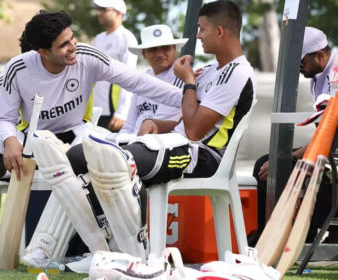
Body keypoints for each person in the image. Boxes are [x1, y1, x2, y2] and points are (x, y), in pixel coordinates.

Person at [0, 9, 183, 269]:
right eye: (64, 45)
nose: (73, 47)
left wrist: (187, 98)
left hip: (74, 137)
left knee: (83, 162)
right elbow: (3, 118)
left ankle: (45, 250)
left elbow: (137, 82)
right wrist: (9, 141)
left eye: (72, 39)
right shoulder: (18, 68)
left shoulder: (86, 56)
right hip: (31, 140)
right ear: (43, 52)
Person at [28, 0, 255, 272]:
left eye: (202, 29)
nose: (198, 36)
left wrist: (188, 82)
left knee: (110, 161)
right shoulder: (211, 71)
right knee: (76, 157)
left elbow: (194, 131)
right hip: (174, 146)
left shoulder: (237, 72)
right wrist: (154, 121)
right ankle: (92, 248)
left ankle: (132, 255)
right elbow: (186, 119)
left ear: (220, 32)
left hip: (203, 156)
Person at [19, 24, 187, 269]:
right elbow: (131, 124)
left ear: (175, 48)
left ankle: (126, 254)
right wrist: (119, 138)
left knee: (94, 161)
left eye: (165, 47)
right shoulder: (149, 78)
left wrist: (158, 121)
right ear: (144, 54)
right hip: (140, 144)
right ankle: (59, 246)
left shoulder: (182, 78)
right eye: (152, 49)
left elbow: (188, 120)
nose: (159, 53)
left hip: (168, 148)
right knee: (76, 159)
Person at [252, 26, 337, 245]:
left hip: (333, 153)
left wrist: (291, 157)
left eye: (301, 63)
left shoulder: (334, 75)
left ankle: (281, 235)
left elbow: (332, 135)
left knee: (276, 164)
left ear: (319, 55)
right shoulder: (318, 76)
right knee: (269, 162)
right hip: (330, 152)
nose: (298, 69)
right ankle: (279, 232)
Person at [91, 0, 138, 132]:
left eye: (104, 9)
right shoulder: (98, 38)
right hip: (95, 110)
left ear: (118, 12)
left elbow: (130, 77)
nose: (99, 13)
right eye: (99, 10)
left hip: (114, 112)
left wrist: (122, 113)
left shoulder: (127, 38)